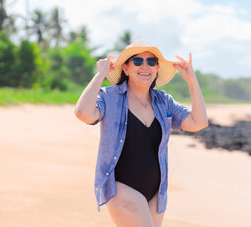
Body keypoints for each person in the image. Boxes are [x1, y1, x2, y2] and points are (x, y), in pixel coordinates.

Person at [74, 40, 208, 227]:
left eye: (151, 61)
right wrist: (100, 74)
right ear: (126, 68)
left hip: (156, 192)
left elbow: (198, 122)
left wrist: (192, 80)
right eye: (137, 61)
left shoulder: (163, 101)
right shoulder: (110, 97)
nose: (145, 66)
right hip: (121, 187)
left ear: (157, 68)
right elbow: (83, 113)